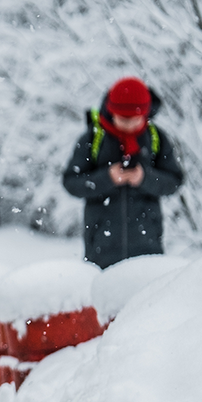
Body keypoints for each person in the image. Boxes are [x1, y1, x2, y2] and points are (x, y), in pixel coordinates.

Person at [62, 76, 184, 269]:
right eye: (123, 119)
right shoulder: (93, 139)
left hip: (147, 249)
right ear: (112, 112)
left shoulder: (156, 138)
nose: (129, 125)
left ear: (145, 114)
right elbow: (71, 182)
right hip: (101, 250)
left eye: (134, 120)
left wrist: (145, 179)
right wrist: (107, 178)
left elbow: (174, 181)